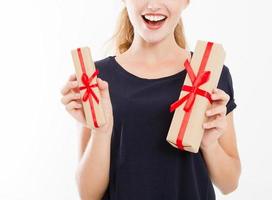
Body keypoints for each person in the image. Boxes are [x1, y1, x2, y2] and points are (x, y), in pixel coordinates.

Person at [60, 0, 241, 199]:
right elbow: (89, 194)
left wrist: (210, 144)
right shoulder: (95, 79)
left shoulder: (209, 75)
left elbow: (229, 183)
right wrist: (101, 132)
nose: (153, 4)